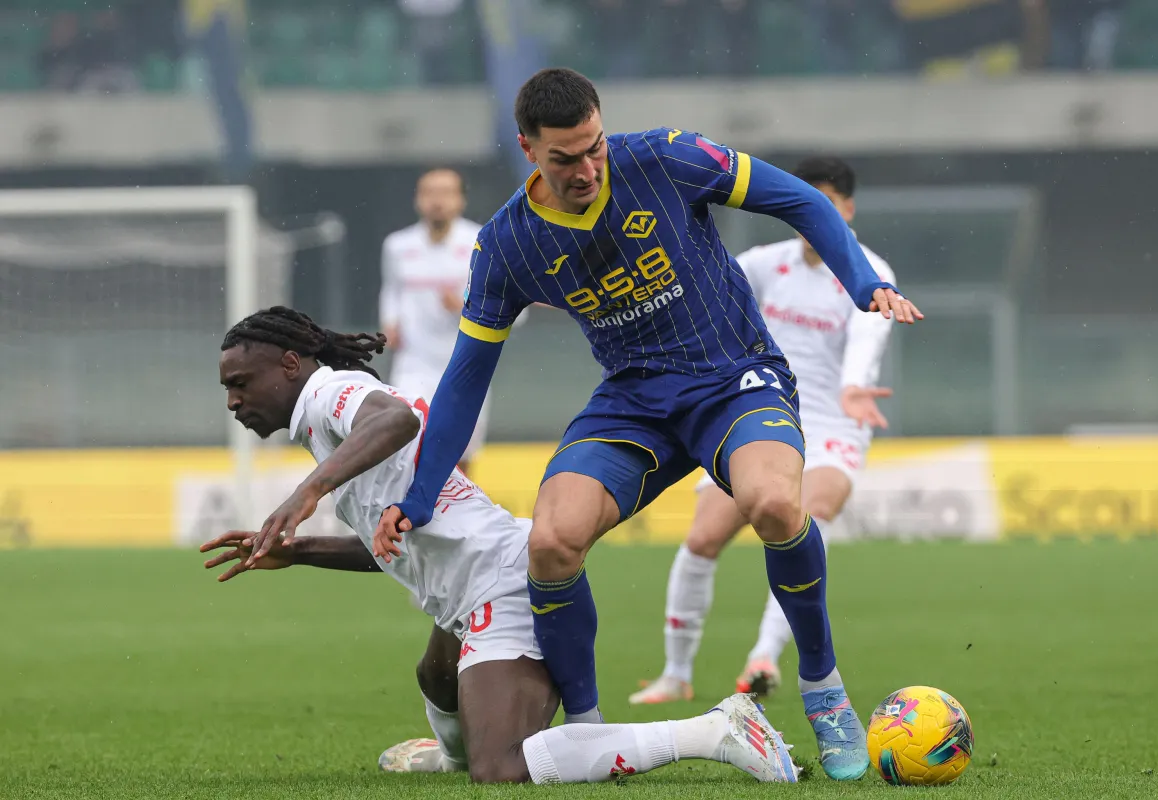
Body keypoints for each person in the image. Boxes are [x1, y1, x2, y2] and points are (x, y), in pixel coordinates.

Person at [251, 68, 923, 780]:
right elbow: (466, 378)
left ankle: (823, 689)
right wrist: (417, 500)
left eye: (594, 147)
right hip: (632, 401)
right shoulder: (508, 245)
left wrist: (865, 284)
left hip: (732, 378)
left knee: (776, 505)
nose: (586, 169)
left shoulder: (667, 158)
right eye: (564, 157)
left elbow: (799, 199)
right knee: (550, 543)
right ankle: (590, 729)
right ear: (528, 150)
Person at [205, 305, 798, 784]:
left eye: (240, 383)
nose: (232, 401)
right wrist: (297, 552)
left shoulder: (329, 392)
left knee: (502, 769)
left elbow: (395, 419)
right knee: (437, 677)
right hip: (472, 585)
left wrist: (307, 491)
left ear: (290, 363)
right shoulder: (320, 426)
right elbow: (395, 549)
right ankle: (450, 756)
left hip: (501, 582)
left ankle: (713, 731)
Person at [629, 156, 897, 706]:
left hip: (833, 420)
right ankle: (676, 674)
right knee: (703, 538)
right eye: (806, 205)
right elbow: (707, 290)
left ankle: (764, 656)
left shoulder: (870, 270)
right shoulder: (765, 263)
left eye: (826, 205)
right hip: (760, 409)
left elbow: (868, 337)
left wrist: (853, 386)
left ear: (846, 209)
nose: (813, 218)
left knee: (804, 520)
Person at [378, 168, 487, 473]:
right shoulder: (397, 245)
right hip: (414, 362)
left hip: (465, 364)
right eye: (429, 193)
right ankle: (413, 503)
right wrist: (390, 322)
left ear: (461, 200)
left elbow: (508, 305)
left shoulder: (481, 242)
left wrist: (465, 306)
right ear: (417, 200)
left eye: (446, 193)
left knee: (462, 451)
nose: (437, 201)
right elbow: (391, 289)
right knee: (409, 438)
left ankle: (459, 503)